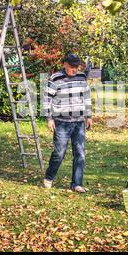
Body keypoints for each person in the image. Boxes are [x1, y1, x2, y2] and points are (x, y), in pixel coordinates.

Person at [42, 53, 92, 193]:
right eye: (72, 67)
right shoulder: (55, 78)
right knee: (59, 153)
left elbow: (87, 97)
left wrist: (89, 116)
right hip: (62, 123)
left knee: (80, 153)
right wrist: (49, 118)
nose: (75, 69)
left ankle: (77, 184)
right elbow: (46, 99)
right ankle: (49, 177)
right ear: (64, 64)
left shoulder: (82, 78)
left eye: (77, 67)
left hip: (79, 123)